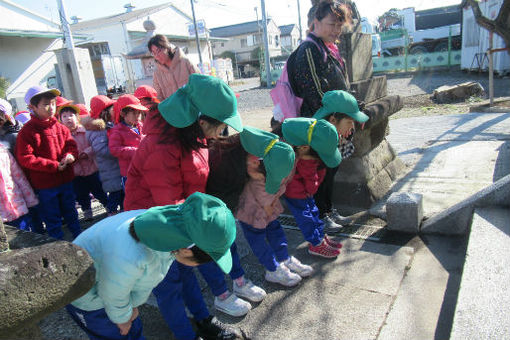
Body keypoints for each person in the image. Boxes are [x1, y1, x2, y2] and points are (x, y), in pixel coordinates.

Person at [125, 74, 250, 339]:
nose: (221, 134)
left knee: (187, 274)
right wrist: (195, 235)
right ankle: (187, 335)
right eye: (220, 127)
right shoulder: (162, 145)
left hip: (182, 219)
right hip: (157, 225)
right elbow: (166, 202)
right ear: (202, 121)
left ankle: (204, 321)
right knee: (168, 285)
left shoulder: (192, 135)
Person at [66, 192, 237, 340]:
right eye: (200, 262)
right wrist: (123, 318)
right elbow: (112, 293)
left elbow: (142, 281)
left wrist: (130, 310)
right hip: (89, 299)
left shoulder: (169, 231)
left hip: (117, 293)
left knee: (133, 329)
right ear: (186, 252)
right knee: (113, 334)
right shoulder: (132, 255)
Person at [15, 86, 81, 239]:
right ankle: (57, 246)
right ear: (32, 107)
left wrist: (71, 155)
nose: (51, 108)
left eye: (53, 103)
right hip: (45, 185)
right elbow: (26, 158)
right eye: (46, 104)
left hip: (66, 180)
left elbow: (71, 145)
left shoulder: (60, 127)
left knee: (72, 212)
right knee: (52, 218)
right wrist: (53, 166)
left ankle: (80, 240)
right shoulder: (27, 132)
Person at [279, 118, 345, 258]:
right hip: (296, 193)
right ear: (304, 148)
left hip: (304, 191)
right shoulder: (306, 160)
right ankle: (316, 243)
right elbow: (312, 183)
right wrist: (313, 186)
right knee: (306, 217)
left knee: (313, 212)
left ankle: (320, 237)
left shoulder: (306, 153)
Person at [312, 90, 369, 228]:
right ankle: (321, 216)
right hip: (312, 178)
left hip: (333, 151)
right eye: (349, 122)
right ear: (332, 120)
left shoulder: (337, 132)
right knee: (320, 184)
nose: (352, 127)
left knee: (329, 180)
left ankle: (329, 210)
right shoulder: (318, 138)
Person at [58, 102, 109, 221]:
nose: (68, 119)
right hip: (76, 172)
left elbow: (94, 144)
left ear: (77, 117)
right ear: (60, 120)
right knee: (81, 194)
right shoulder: (62, 136)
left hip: (92, 167)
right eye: (64, 116)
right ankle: (86, 210)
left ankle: (107, 205)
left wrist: (87, 152)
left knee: (99, 189)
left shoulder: (86, 131)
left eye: (71, 115)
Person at [86, 95, 124, 215]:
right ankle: (111, 213)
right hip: (110, 170)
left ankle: (122, 212)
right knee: (116, 195)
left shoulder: (108, 126)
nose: (114, 111)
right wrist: (117, 150)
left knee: (122, 194)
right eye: (111, 109)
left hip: (114, 169)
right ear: (104, 112)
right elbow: (101, 149)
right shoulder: (97, 130)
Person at [108, 95, 147, 189]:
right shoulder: (117, 130)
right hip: (130, 172)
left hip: (145, 168)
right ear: (123, 114)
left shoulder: (141, 126)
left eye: (139, 113)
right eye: (134, 113)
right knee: (135, 199)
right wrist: (133, 151)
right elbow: (114, 149)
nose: (138, 116)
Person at [148, 34, 201, 101]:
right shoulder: (157, 74)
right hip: (175, 110)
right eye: (153, 53)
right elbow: (159, 97)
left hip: (194, 106)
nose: (157, 56)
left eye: (158, 51)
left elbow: (200, 83)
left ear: (166, 48)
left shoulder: (185, 62)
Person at [0, 143, 39, 232]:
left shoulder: (2, 150)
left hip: (16, 205)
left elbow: (18, 176)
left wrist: (30, 199)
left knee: (24, 234)